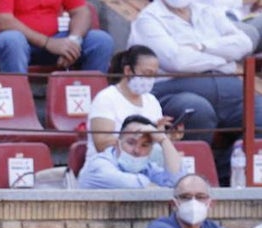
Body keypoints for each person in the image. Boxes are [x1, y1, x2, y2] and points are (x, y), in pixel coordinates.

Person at [128, 0, 260, 183]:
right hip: (175, 89)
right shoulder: (148, 19)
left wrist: (202, 47)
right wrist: (223, 57)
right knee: (196, 109)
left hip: (229, 87)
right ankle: (193, 180)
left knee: (260, 113)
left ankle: (224, 173)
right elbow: (177, 62)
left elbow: (244, 43)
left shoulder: (206, 11)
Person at [0, 0, 114, 74]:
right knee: (14, 41)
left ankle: (92, 113)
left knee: (101, 41)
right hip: (2, 43)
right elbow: (4, 22)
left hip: (50, 42)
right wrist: (48, 43)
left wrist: (73, 42)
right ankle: (18, 113)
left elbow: (81, 12)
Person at [140, 173, 262, 228]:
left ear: (210, 203)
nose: (193, 201)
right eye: (185, 197)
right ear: (173, 203)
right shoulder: (159, 227)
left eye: (200, 197)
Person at [88, 45, 175, 159]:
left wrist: (166, 137)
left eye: (154, 75)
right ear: (128, 71)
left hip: (143, 163)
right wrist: (139, 133)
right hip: (108, 164)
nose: (150, 80)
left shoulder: (151, 101)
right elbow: (101, 144)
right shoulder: (106, 98)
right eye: (147, 73)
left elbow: (155, 142)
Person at [79, 114, 184, 189]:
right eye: (131, 142)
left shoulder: (148, 168)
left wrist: (163, 140)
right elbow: (125, 182)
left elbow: (176, 182)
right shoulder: (98, 163)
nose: (137, 151)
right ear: (117, 144)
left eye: (144, 145)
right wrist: (152, 186)